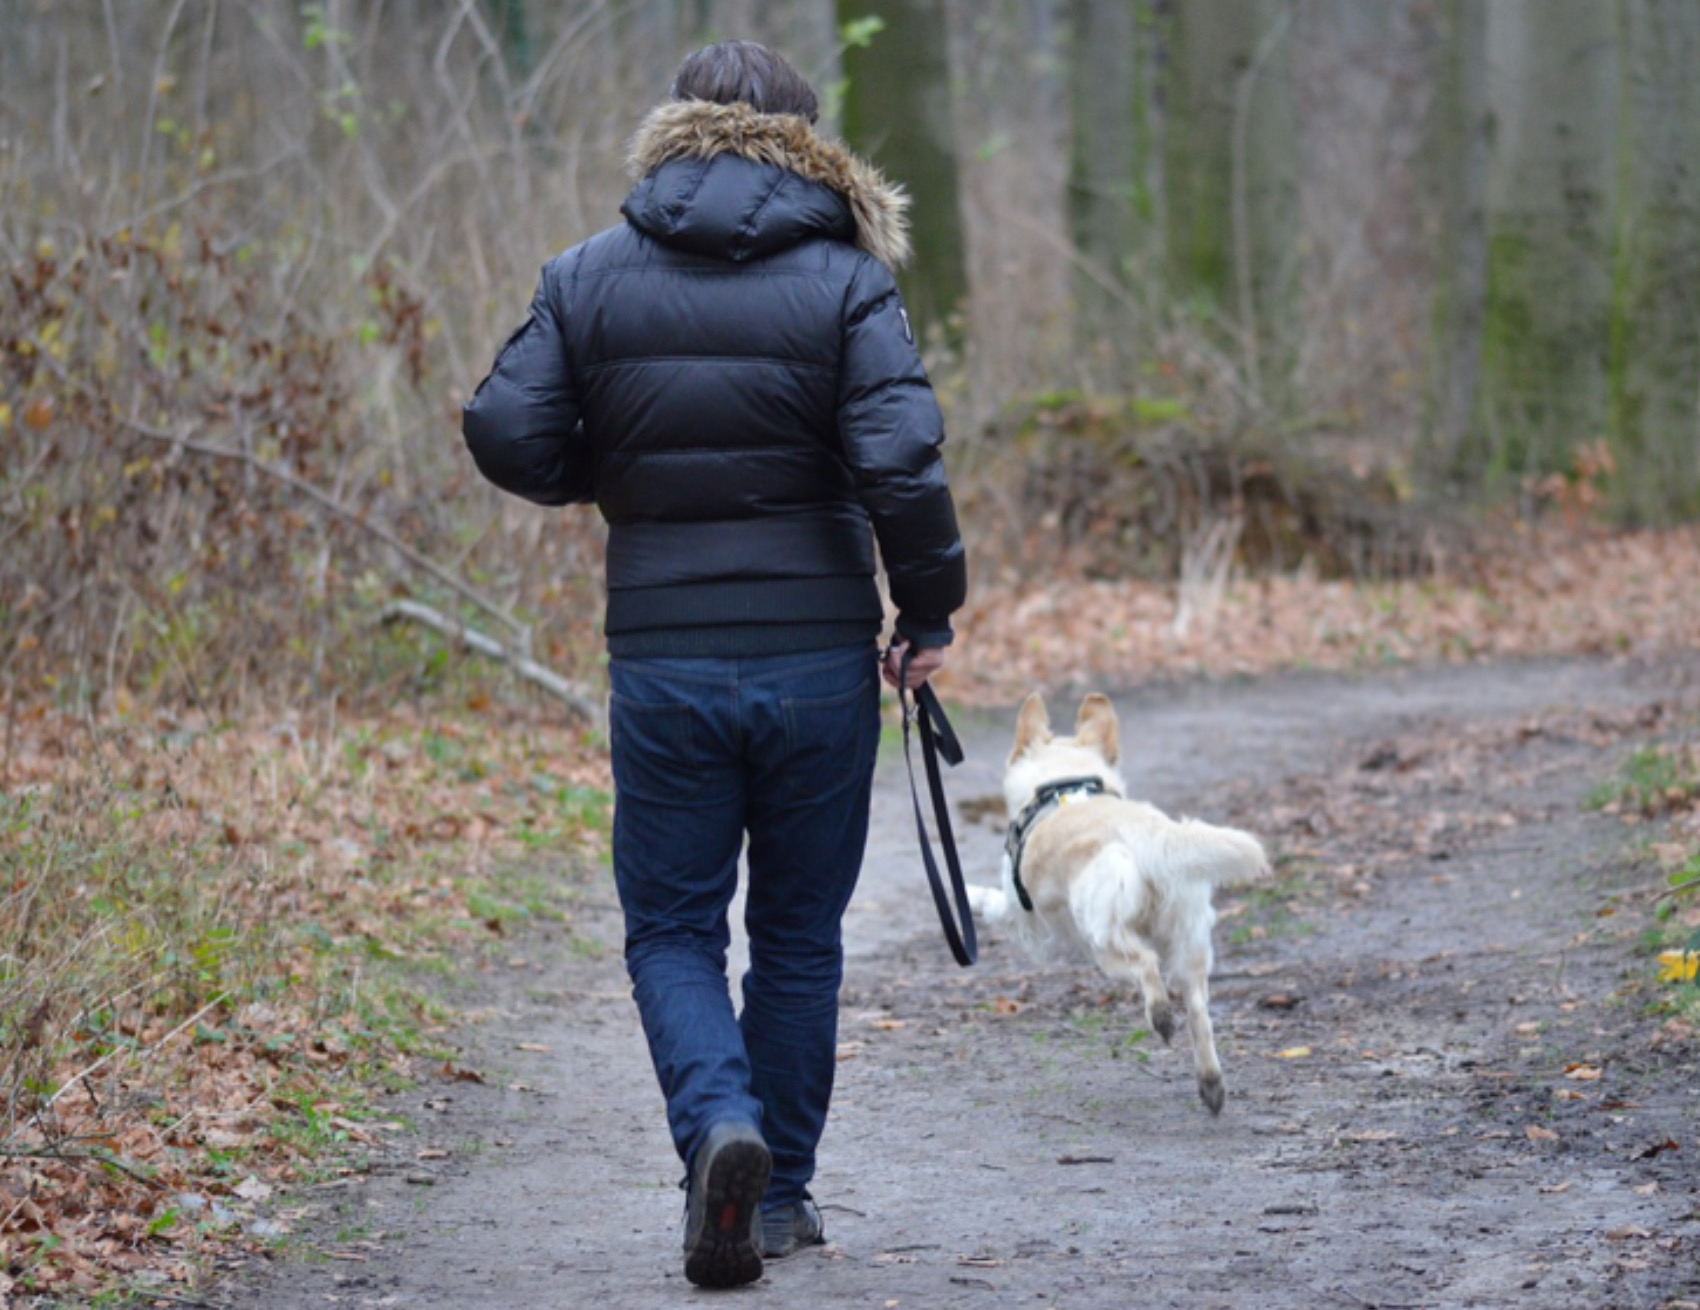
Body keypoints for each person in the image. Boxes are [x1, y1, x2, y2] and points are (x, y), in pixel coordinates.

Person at [461, 40, 967, 1290]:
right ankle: (777, 1190)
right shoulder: (849, 282)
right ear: (808, 143)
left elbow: (502, 426)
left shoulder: (588, 274)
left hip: (665, 655)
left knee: (672, 927)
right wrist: (929, 608)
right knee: (797, 934)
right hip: (813, 659)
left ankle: (714, 1130)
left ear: (672, 131)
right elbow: (900, 462)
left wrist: (621, 475)